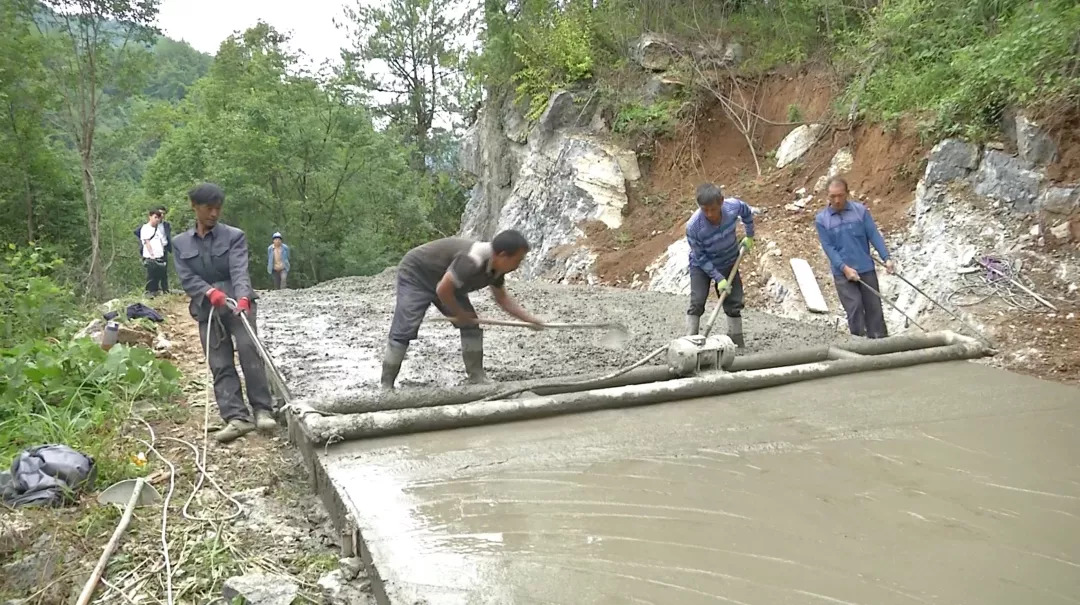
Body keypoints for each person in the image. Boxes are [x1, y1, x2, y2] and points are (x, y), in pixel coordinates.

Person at [172, 183, 276, 443]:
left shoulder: (234, 236)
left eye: (218, 209)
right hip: (207, 309)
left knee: (250, 352)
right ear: (194, 207)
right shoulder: (179, 243)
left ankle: (263, 409)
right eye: (209, 208)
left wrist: (242, 297)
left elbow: (239, 269)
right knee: (219, 363)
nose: (214, 214)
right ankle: (236, 417)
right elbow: (187, 278)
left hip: (238, 306)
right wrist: (208, 293)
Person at [382, 231, 543, 389]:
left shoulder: (497, 268)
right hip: (417, 275)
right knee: (405, 327)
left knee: (470, 325)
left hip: (446, 282)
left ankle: (476, 377)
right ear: (502, 255)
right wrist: (459, 314)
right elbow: (443, 290)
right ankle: (386, 385)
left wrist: (528, 319)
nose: (518, 265)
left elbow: (502, 299)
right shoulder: (472, 259)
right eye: (518, 260)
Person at [815, 176, 895, 339]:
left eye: (840, 195)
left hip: (866, 267)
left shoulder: (860, 211)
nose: (837, 200)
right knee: (855, 307)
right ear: (827, 196)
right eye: (833, 196)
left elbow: (873, 234)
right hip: (842, 272)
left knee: (874, 308)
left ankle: (882, 346)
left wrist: (886, 258)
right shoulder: (822, 220)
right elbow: (829, 248)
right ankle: (860, 344)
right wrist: (844, 268)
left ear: (847, 194)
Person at [685, 183, 755, 347]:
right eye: (705, 210)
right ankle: (689, 342)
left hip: (729, 260)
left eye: (713, 209)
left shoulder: (733, 207)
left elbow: (747, 213)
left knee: (733, 302)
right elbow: (700, 256)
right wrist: (718, 278)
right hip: (702, 266)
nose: (709, 214)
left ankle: (737, 341)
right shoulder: (694, 227)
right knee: (697, 301)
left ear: (721, 202)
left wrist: (750, 236)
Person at [135, 205, 172, 293]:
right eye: (158, 214)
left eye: (162, 214)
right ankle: (151, 292)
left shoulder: (165, 225)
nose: (160, 216)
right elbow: (146, 240)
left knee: (163, 272)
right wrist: (150, 253)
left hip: (162, 251)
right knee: (152, 274)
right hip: (151, 254)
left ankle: (164, 290)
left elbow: (164, 238)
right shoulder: (146, 227)